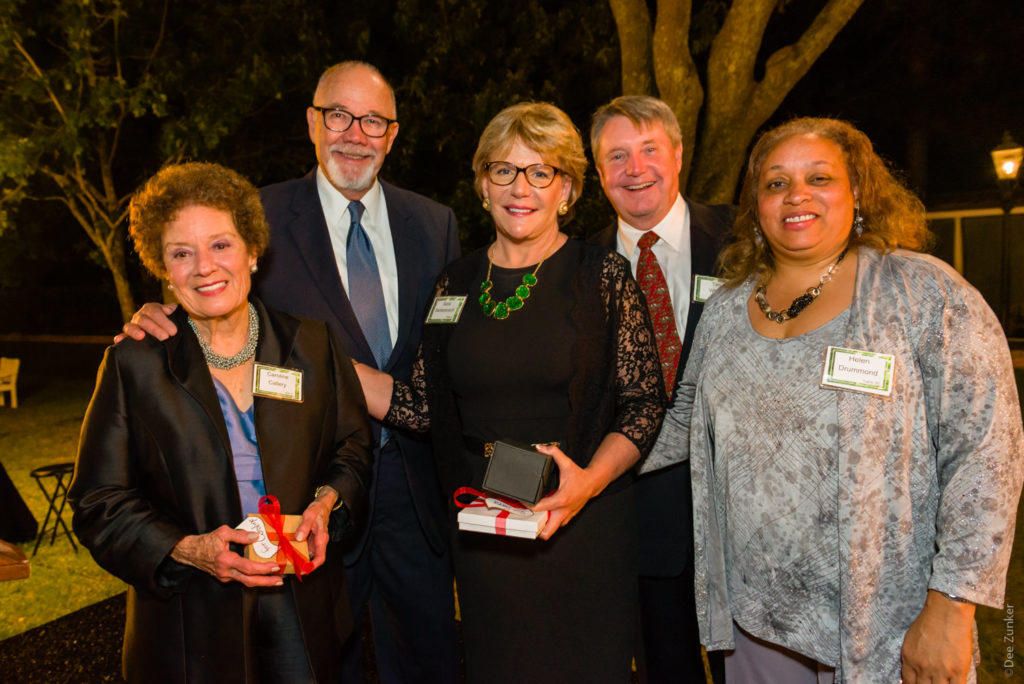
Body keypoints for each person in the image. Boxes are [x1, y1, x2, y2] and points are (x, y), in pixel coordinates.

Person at [646, 117, 1024, 682]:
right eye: (775, 183)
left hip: (886, 624)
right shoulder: (726, 309)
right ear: (755, 206)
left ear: (858, 194)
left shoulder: (923, 294)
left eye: (818, 177)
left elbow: (988, 453)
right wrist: (583, 466)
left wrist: (953, 604)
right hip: (756, 623)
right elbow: (683, 420)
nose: (795, 195)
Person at [120, 61, 461, 683]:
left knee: (429, 658)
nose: (354, 134)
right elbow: (208, 291)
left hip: (413, 492)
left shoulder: (435, 225)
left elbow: (447, 354)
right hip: (303, 506)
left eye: (373, 121)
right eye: (339, 116)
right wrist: (156, 313)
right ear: (312, 122)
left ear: (392, 134)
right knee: (322, 658)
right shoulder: (259, 217)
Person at [355, 101, 665, 683]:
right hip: (487, 525)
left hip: (580, 524)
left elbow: (645, 403)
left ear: (566, 187)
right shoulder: (455, 282)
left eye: (540, 171)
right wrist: (312, 357)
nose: (520, 187)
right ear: (482, 184)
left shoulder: (602, 276)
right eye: (504, 170)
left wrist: (586, 484)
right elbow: (422, 402)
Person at [69, 162, 373, 683]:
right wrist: (189, 550)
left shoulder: (314, 345)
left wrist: (328, 502)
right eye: (182, 253)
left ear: (253, 250)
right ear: (163, 269)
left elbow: (353, 446)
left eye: (221, 245)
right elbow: (98, 503)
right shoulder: (135, 363)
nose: (205, 267)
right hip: (189, 620)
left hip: (301, 606)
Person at [588, 95, 731, 684]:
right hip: (639, 514)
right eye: (616, 155)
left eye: (649, 149)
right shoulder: (580, 264)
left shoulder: (746, 238)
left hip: (739, 511)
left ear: (677, 154)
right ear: (599, 173)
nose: (634, 167)